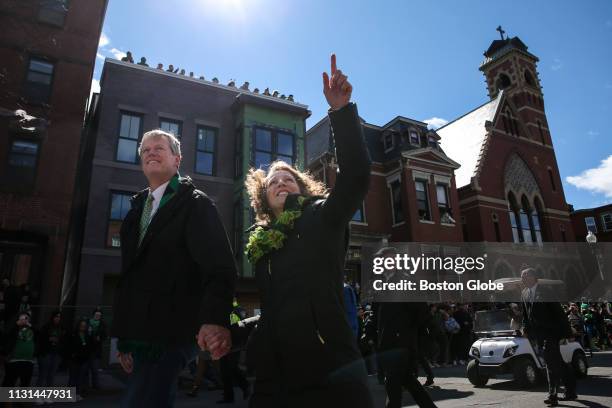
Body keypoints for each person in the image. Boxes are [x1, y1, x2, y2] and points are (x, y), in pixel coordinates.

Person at [244, 54, 374, 408]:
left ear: (302, 189)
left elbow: (357, 177)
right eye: (274, 180)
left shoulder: (321, 216)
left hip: (330, 368)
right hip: (275, 376)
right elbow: (276, 308)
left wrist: (341, 112)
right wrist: (227, 329)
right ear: (263, 196)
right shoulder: (261, 242)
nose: (282, 182)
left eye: (290, 178)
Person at [110, 128, 237, 408]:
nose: (151, 152)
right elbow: (129, 279)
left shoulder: (196, 204)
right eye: (145, 150)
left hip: (172, 331)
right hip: (139, 333)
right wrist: (124, 338)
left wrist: (214, 320)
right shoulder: (135, 212)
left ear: (177, 159)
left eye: (159, 148)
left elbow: (219, 267)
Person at [373, 247, 437, 408]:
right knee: (408, 382)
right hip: (387, 343)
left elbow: (422, 313)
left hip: (402, 344)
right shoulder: (380, 285)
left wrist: (422, 337)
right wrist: (369, 333)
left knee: (392, 385)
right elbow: (376, 314)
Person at [520, 267, 577, 406]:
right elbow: (526, 315)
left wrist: (568, 333)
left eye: (525, 276)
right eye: (522, 276)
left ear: (534, 277)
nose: (523, 279)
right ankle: (571, 391)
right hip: (538, 334)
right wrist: (525, 328)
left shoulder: (546, 292)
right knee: (558, 361)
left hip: (551, 332)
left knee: (550, 363)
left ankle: (552, 395)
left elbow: (559, 313)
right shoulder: (524, 293)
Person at [1, 312, 36, 388]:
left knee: (25, 384)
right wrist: (16, 325)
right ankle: (6, 399)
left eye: (26, 318)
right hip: (14, 360)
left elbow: (40, 336)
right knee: (9, 383)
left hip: (28, 360)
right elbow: (6, 337)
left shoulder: (32, 329)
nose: (24, 320)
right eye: (22, 318)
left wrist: (31, 326)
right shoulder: (14, 328)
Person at [36, 310, 66, 388]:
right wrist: (49, 339)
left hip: (56, 353)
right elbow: (41, 339)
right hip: (47, 352)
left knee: (51, 375)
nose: (57, 318)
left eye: (59, 317)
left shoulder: (62, 328)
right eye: (56, 317)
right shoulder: (46, 327)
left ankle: (48, 395)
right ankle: (38, 395)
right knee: (43, 374)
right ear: (53, 317)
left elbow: (65, 340)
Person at [68, 319, 93, 400]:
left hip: (84, 359)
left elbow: (91, 345)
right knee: (73, 377)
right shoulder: (73, 334)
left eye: (84, 325)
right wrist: (72, 354)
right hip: (75, 359)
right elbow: (70, 345)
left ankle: (78, 393)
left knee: (80, 377)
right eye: (81, 325)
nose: (83, 327)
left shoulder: (87, 335)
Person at [88, 308, 107, 389]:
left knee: (95, 369)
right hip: (88, 348)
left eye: (99, 315)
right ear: (93, 315)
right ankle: (84, 385)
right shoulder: (88, 323)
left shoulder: (102, 324)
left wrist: (101, 338)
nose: (98, 316)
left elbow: (104, 335)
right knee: (85, 369)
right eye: (96, 314)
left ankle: (95, 385)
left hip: (96, 349)